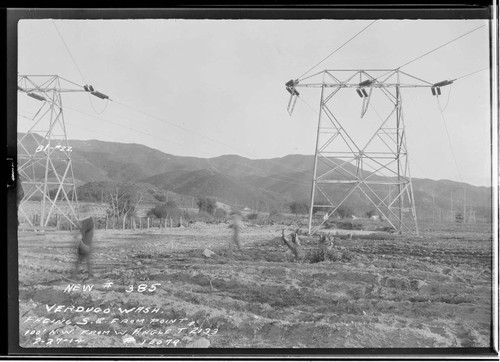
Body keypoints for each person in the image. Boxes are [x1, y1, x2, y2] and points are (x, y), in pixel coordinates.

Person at [71, 204, 95, 279]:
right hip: (87, 245)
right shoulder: (90, 221)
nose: (82, 213)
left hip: (84, 245)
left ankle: (74, 276)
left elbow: (81, 234)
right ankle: (90, 276)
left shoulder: (86, 221)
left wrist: (76, 238)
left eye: (83, 212)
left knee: (79, 262)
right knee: (87, 262)